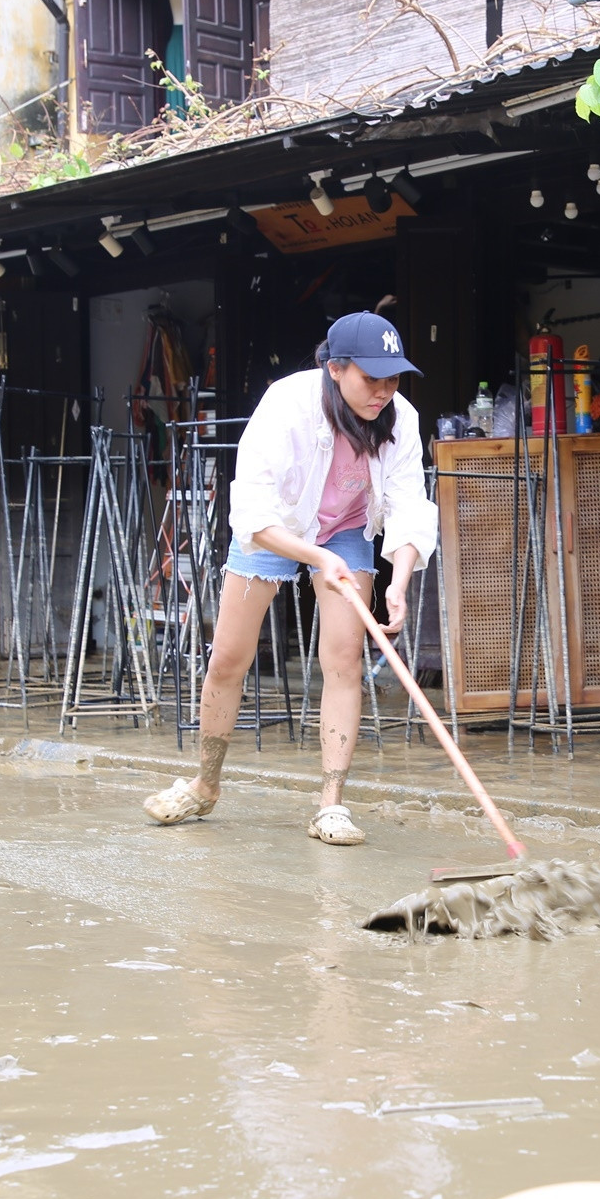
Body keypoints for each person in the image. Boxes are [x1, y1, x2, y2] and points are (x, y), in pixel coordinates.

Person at [142, 311, 438, 845]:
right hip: (274, 527)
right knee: (229, 656)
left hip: (347, 527)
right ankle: (205, 784)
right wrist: (316, 557)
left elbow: (410, 505)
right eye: (372, 378)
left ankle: (331, 805)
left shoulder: (402, 418)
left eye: (393, 378)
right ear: (336, 368)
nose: (384, 391)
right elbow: (252, 511)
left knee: (344, 658)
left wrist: (400, 580)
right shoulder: (286, 404)